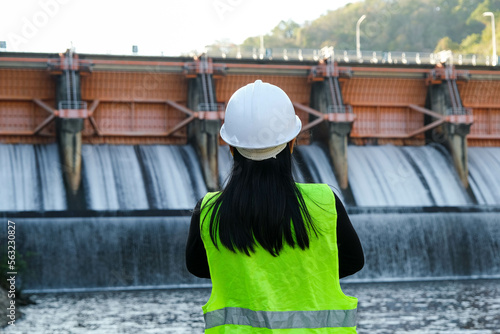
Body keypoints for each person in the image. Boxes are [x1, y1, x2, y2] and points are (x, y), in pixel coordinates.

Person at [185, 80, 364, 333]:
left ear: (231, 147)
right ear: (291, 144)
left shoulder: (209, 213)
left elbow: (200, 267)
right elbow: (353, 262)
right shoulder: (325, 203)